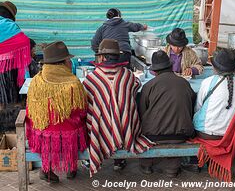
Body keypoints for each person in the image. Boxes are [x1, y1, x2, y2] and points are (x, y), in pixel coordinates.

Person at [83, 39, 153, 176]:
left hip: (100, 128)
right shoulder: (128, 75)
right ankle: (119, 156)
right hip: (125, 128)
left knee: (93, 118)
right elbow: (135, 88)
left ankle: (102, 147)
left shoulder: (91, 79)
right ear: (117, 56)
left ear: (102, 57)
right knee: (123, 110)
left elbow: (88, 103)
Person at [26, 41, 88, 183]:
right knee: (79, 123)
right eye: (67, 59)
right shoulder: (74, 83)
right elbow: (82, 111)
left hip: (42, 137)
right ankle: (71, 167)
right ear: (63, 63)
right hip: (69, 137)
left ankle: (47, 169)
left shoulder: (36, 81)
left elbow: (30, 110)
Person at [192, 49, 235, 182]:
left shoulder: (207, 82)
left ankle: (193, 161)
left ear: (214, 67)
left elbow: (198, 108)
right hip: (229, 135)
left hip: (206, 134)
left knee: (191, 118)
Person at [138, 50, 196, 177]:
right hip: (182, 133)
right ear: (170, 66)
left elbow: (142, 111)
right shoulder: (184, 83)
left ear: (154, 71)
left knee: (142, 131)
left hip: (153, 134)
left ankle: (147, 165)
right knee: (175, 135)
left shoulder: (149, 86)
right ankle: (172, 168)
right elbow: (191, 106)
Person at [0, 1, 31, 132]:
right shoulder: (12, 28)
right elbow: (25, 53)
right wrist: (26, 81)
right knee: (8, 105)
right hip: (7, 73)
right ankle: (8, 133)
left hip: (6, 68)